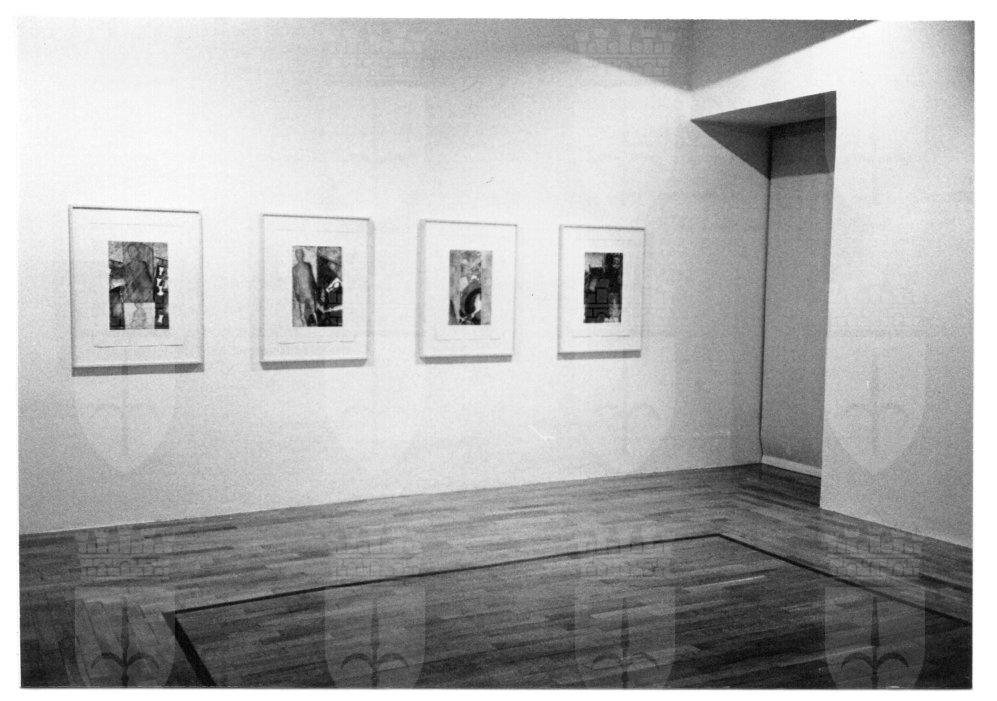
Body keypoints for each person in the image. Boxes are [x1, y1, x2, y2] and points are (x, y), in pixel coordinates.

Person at [292, 248, 317, 327]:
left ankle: (314, 315)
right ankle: (303, 318)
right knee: (302, 307)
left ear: (303, 255)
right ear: (296, 256)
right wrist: (296, 293)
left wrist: (315, 288)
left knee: (312, 305)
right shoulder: (294, 268)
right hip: (301, 291)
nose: (299, 256)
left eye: (300, 254)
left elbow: (312, 277)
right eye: (297, 255)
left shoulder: (308, 265)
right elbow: (295, 281)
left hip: (309, 289)